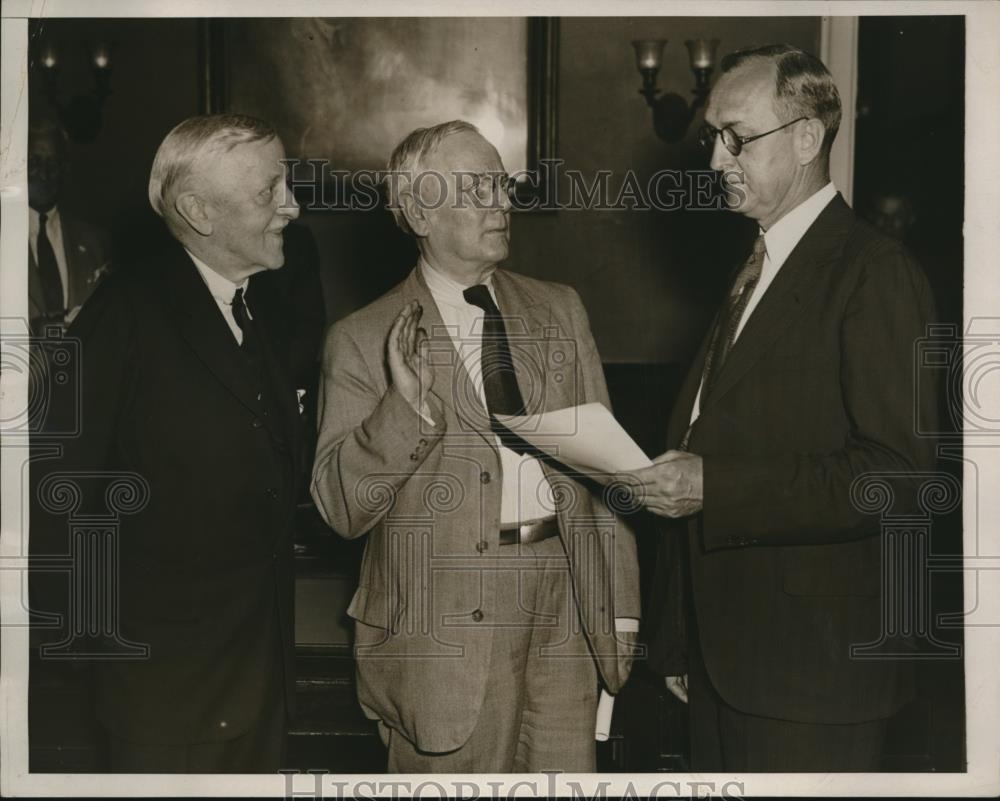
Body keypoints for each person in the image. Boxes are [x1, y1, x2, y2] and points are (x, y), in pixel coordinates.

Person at [631, 45, 938, 771]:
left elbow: (897, 477)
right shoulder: (755, 265)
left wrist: (715, 486)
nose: (714, 161)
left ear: (807, 138)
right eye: (713, 137)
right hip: (723, 667)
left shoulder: (874, 273)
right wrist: (679, 642)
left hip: (815, 677)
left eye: (737, 137)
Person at [311, 120, 640, 773]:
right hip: (442, 629)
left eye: (501, 181)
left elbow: (611, 474)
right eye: (477, 187)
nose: (502, 201)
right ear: (419, 212)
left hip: (565, 600)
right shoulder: (362, 337)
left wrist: (623, 610)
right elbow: (341, 507)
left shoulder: (560, 309)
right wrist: (403, 409)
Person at [30, 113, 302, 772]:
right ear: (197, 211)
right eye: (270, 191)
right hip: (166, 691)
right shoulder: (125, 314)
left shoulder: (249, 307)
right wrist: (106, 661)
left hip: (253, 676)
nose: (291, 206)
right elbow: (60, 493)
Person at [27, 118, 112, 333]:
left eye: (53, 164)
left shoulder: (95, 243)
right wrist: (31, 332)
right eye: (33, 162)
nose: (44, 174)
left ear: (65, 169)